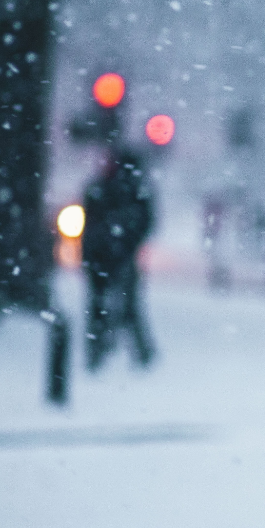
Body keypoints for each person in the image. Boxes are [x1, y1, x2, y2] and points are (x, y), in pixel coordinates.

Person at [81, 147, 156, 370]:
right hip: (107, 256)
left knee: (115, 305)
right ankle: (112, 351)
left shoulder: (109, 188)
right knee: (118, 305)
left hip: (110, 256)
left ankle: (101, 351)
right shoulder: (128, 190)